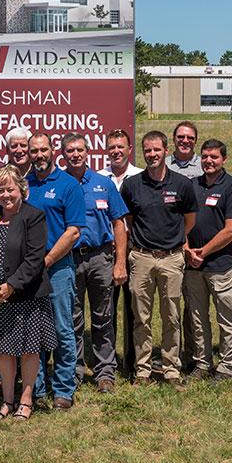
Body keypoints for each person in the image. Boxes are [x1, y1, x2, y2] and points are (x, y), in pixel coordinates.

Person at [119, 131, 197, 389]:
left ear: (166, 151)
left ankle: (171, 369)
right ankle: (142, 370)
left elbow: (189, 220)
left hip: (172, 259)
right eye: (148, 150)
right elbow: (127, 221)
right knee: (141, 316)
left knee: (171, 316)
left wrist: (174, 240)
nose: (152, 155)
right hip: (141, 258)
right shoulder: (132, 185)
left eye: (157, 150)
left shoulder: (182, 184)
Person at [0, 166, 56, 420]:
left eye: (10, 189)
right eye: (0, 190)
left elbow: (35, 259)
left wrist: (12, 285)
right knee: (4, 349)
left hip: (27, 295)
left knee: (29, 349)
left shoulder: (33, 216)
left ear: (22, 190)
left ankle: (26, 400)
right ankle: (7, 400)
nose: (6, 195)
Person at [61, 134, 128, 393]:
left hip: (101, 257)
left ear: (88, 153)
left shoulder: (104, 183)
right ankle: (74, 371)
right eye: (70, 151)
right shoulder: (62, 183)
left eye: (79, 150)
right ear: (63, 154)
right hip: (70, 258)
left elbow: (119, 223)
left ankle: (105, 373)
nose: (75, 155)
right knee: (72, 318)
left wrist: (120, 262)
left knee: (103, 318)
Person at [25, 133, 85, 410]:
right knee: (32, 332)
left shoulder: (68, 185)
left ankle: (63, 389)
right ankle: (35, 389)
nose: (39, 155)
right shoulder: (25, 185)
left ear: (52, 151)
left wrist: (46, 261)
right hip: (28, 272)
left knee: (62, 330)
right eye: (33, 150)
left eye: (43, 149)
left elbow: (73, 231)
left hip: (58, 269)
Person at [182, 139, 232, 382]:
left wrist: (203, 252)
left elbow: (231, 230)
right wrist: (188, 251)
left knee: (227, 317)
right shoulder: (191, 185)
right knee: (197, 318)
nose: (209, 161)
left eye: (214, 157)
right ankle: (203, 363)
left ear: (224, 160)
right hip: (193, 266)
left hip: (220, 265)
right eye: (205, 156)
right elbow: (181, 222)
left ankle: (227, 366)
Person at [98, 129, 142, 375]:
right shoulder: (98, 178)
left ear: (129, 149)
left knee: (135, 309)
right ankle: (109, 362)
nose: (116, 151)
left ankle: (134, 362)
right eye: (112, 147)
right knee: (107, 310)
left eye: (121, 147)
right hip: (107, 253)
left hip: (136, 250)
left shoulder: (141, 177)